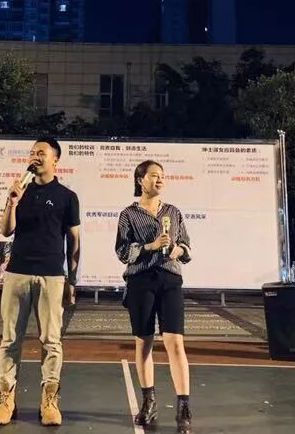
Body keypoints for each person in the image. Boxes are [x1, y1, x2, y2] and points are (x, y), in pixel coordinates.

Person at [0, 138, 81, 427]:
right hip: (17, 273)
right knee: (9, 340)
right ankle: (6, 400)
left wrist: (72, 280)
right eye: (32, 153)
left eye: (41, 152)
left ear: (55, 160)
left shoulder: (67, 196)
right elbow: (6, 231)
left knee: (51, 341)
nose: (35, 156)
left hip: (52, 275)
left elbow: (74, 241)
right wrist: (12, 201)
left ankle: (49, 401)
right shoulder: (20, 190)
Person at [115, 160, 193, 434]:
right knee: (144, 342)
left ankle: (183, 407)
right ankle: (149, 402)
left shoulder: (173, 212)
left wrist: (178, 249)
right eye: (153, 175)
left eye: (162, 176)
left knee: (175, 342)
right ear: (140, 180)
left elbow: (188, 247)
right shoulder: (128, 214)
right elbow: (122, 252)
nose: (159, 180)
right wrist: (150, 246)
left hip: (170, 280)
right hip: (141, 281)